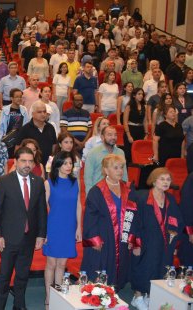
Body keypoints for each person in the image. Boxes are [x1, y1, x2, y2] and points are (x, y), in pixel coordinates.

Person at [0, 146, 47, 310]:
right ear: (15, 162)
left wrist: (41, 235)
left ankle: (19, 305)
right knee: (4, 276)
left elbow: (41, 211)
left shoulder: (38, 182)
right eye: (23, 161)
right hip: (8, 239)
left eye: (30, 161)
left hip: (29, 239)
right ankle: (0, 307)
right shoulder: (3, 181)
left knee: (23, 276)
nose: (27, 164)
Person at [129, 168, 183, 310]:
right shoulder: (141, 197)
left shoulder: (170, 199)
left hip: (164, 242)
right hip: (145, 241)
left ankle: (149, 294)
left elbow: (178, 220)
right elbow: (133, 222)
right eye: (162, 179)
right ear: (154, 181)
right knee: (142, 268)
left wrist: (175, 243)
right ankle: (138, 296)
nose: (166, 182)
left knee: (159, 268)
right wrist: (135, 243)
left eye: (168, 179)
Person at [80, 154, 136, 288]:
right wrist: (94, 239)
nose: (120, 171)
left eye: (121, 167)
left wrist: (132, 237)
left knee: (120, 268)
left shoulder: (128, 188)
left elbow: (134, 215)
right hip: (103, 235)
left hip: (122, 235)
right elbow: (90, 217)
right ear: (105, 170)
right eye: (115, 168)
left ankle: (114, 293)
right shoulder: (97, 191)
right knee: (99, 269)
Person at [42, 151, 81, 305]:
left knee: (62, 264)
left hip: (69, 226)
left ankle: (57, 295)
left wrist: (79, 228)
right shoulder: (49, 182)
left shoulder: (75, 182)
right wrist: (43, 231)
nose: (68, 166)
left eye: (70, 163)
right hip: (53, 226)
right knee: (51, 263)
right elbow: (43, 208)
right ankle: (48, 297)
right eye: (65, 163)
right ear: (57, 164)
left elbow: (78, 205)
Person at [123, 88, 149, 162]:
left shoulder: (144, 106)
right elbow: (125, 121)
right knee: (129, 154)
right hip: (131, 129)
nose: (141, 96)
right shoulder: (129, 106)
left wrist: (146, 133)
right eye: (139, 94)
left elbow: (145, 121)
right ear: (134, 95)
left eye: (142, 94)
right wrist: (128, 135)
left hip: (140, 130)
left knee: (139, 152)